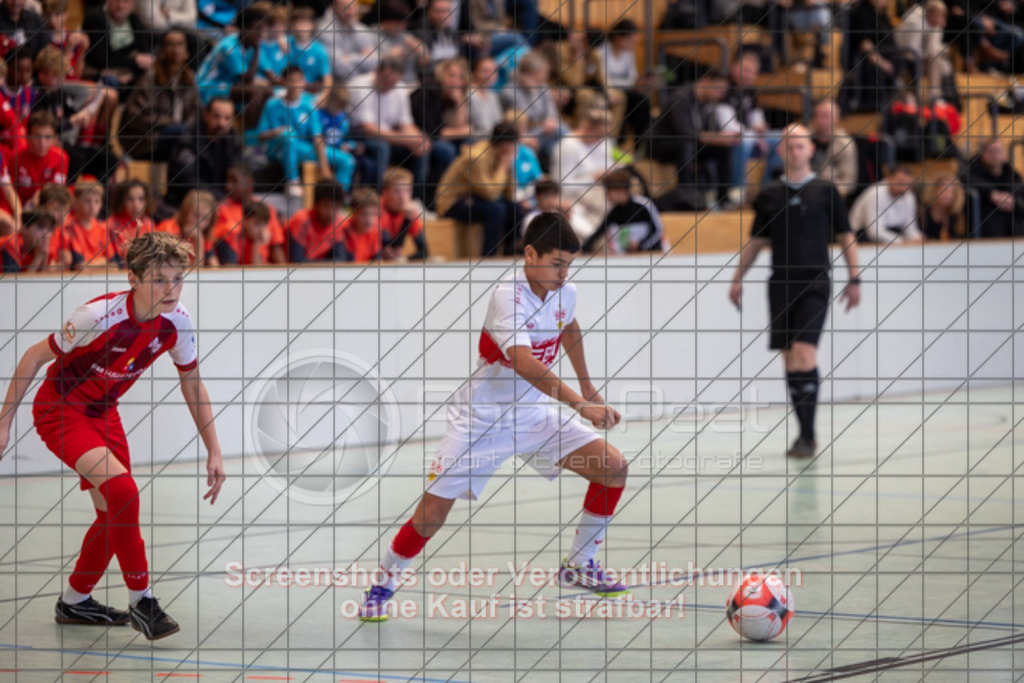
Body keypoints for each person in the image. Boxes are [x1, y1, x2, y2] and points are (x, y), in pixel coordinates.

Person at [360, 211, 629, 622]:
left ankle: (579, 564)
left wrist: (589, 388)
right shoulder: (508, 296)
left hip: (534, 414)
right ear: (530, 254)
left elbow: (569, 328)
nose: (563, 273)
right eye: (556, 262)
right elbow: (521, 361)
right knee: (431, 514)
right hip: (483, 420)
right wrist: (580, 404)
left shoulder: (564, 291)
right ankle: (383, 583)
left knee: (613, 466)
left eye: (569, 265)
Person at [0, 231, 226, 640]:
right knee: (124, 493)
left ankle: (75, 601)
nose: (171, 289)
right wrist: (4, 423)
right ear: (134, 279)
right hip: (60, 409)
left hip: (104, 413)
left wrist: (214, 450)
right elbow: (34, 355)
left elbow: (192, 383)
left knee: (112, 515)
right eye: (159, 279)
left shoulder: (178, 322)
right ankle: (143, 600)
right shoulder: (96, 317)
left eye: (178, 279)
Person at [729, 123, 862, 459]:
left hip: (815, 280)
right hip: (780, 283)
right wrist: (737, 278)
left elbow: (846, 234)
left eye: (800, 145)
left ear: (810, 149)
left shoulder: (825, 190)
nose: (794, 150)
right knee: (789, 357)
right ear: (780, 151)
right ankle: (803, 433)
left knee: (805, 352)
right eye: (788, 145)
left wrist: (855, 277)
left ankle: (808, 433)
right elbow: (757, 240)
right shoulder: (770, 194)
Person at [257, 65, 355, 195]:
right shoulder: (272, 105)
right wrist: (277, 132)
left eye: (298, 80)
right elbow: (260, 136)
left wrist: (324, 167)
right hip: (278, 149)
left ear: (304, 82)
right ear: (283, 82)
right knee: (289, 135)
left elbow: (317, 136)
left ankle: (339, 197)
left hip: (302, 149)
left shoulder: (308, 105)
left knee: (347, 160)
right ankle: (293, 182)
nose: (295, 85)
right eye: (291, 80)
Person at [435, 121, 519, 257]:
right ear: (506, 144)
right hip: (452, 202)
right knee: (496, 210)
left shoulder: (499, 155)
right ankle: (488, 257)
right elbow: (491, 194)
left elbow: (508, 195)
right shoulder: (476, 157)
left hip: (475, 198)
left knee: (514, 208)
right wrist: (503, 167)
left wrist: (509, 168)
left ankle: (511, 253)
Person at [119, 29, 199, 160]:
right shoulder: (151, 77)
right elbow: (138, 116)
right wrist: (174, 125)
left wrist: (191, 126)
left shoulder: (188, 77)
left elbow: (196, 111)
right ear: (162, 50)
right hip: (147, 140)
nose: (175, 50)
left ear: (186, 50)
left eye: (179, 44)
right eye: (170, 44)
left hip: (179, 135)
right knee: (184, 134)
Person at [165, 97, 241, 207]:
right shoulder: (188, 140)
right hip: (186, 204)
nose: (221, 123)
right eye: (216, 116)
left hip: (220, 202)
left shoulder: (232, 139)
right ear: (206, 115)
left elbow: (238, 168)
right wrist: (219, 197)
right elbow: (186, 180)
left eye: (227, 118)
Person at [583, 168, 666, 254]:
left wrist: (640, 245)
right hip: (630, 257)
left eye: (609, 191)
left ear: (621, 190)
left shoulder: (644, 205)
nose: (607, 195)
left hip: (653, 254)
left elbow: (658, 231)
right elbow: (597, 234)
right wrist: (583, 249)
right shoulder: (614, 213)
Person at [962, 137, 1024, 238]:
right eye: (991, 151)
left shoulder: (1013, 177)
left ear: (1005, 155)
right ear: (982, 155)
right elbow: (963, 179)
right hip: (985, 238)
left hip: (1015, 236)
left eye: (998, 151)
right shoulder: (971, 173)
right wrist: (991, 194)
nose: (994, 155)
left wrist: (1014, 201)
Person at [849, 166, 924, 244]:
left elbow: (910, 228)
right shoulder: (875, 194)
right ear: (889, 179)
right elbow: (874, 232)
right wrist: (901, 241)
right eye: (900, 183)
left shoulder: (909, 196)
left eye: (908, 184)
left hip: (892, 234)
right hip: (862, 235)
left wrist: (918, 237)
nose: (903, 188)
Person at [11, 110, 68, 207]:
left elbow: (57, 190)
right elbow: (9, 191)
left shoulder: (61, 158)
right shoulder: (15, 157)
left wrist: (39, 195)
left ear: (55, 139)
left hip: (47, 208)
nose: (42, 143)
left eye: (47, 137)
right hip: (18, 207)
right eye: (37, 136)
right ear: (28, 137)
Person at [286, 179, 347, 262]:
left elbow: (340, 259)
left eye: (336, 207)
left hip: (316, 269)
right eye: (327, 206)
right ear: (315, 204)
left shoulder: (338, 222)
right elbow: (297, 261)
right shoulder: (302, 220)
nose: (331, 213)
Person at [57, 178, 110, 270]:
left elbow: (114, 265)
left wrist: (91, 265)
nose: (92, 206)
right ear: (75, 201)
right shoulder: (69, 227)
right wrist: (102, 262)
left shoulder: (103, 228)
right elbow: (80, 267)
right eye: (87, 201)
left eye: (96, 201)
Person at [156, 189, 218, 265]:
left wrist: (199, 240)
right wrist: (199, 241)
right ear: (185, 212)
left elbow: (215, 268)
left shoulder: (204, 235)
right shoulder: (168, 229)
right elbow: (187, 271)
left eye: (205, 219)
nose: (199, 223)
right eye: (196, 215)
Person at [379, 166, 426, 259]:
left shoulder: (409, 212)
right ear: (385, 192)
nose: (402, 197)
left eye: (407, 190)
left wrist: (406, 259)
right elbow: (392, 250)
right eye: (396, 191)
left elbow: (424, 251)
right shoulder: (376, 211)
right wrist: (407, 220)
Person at [107, 179, 155, 264]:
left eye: (141, 199)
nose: (136, 205)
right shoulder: (111, 224)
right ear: (121, 201)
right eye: (130, 199)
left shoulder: (149, 223)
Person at [0, 206, 55, 271]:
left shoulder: (42, 248)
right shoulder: (11, 245)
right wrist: (38, 259)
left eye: (49, 229)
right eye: (40, 227)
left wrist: (44, 259)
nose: (46, 234)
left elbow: (42, 279)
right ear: (24, 229)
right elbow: (14, 280)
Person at [921, 174, 965, 240]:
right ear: (934, 190)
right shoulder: (922, 212)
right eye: (945, 191)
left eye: (952, 192)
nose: (949, 196)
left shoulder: (954, 214)